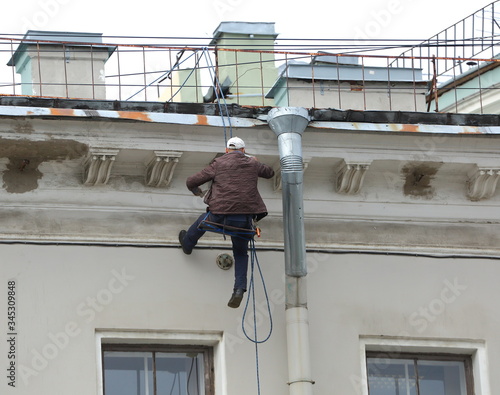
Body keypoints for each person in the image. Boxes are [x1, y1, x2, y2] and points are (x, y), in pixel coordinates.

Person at [179, 136, 274, 308]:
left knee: (202, 221)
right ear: (243, 151)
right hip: (244, 219)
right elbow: (270, 173)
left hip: (220, 216)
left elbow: (191, 181)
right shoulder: (252, 164)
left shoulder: (219, 163)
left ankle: (187, 244)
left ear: (226, 150)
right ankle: (239, 289)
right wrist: (255, 161)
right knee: (240, 252)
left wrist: (196, 191)